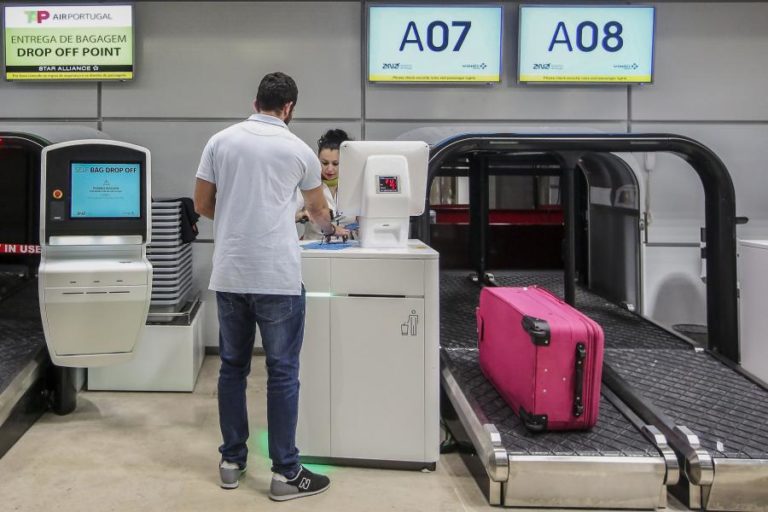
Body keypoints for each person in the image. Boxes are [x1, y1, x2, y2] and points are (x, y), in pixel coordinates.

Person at [194, 72, 347, 501]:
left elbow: (203, 204)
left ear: (255, 100)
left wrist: (239, 216)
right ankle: (285, 473)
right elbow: (317, 210)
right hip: (277, 276)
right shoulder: (299, 151)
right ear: (289, 108)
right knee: (282, 373)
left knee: (232, 368)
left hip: (230, 273)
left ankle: (231, 462)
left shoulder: (219, 142)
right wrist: (331, 228)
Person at [296, 129, 357, 240]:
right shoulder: (307, 184)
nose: (329, 169)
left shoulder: (355, 186)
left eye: (335, 164)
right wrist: (301, 215)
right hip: (314, 251)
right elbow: (286, 217)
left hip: (348, 252)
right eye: (324, 163)